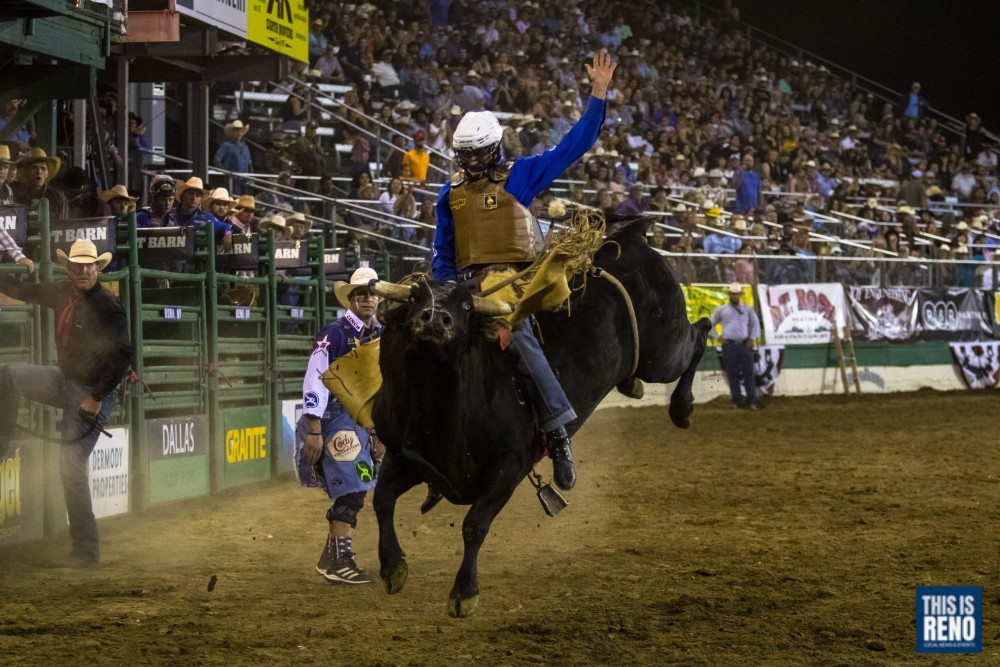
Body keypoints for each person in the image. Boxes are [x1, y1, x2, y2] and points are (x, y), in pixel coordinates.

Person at [431, 51, 617, 492]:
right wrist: (444, 287)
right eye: (464, 155)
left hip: (512, 284)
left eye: (477, 155)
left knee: (525, 345)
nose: (470, 163)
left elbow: (575, 145)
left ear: (494, 148)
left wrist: (598, 95)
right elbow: (443, 248)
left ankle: (556, 435)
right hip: (463, 286)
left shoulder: (521, 175)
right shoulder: (449, 193)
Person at [0, 238, 133, 568]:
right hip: (67, 380)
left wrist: (97, 397)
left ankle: (87, 551)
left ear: (96, 269)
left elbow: (123, 354)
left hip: (91, 391)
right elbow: (24, 290)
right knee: (10, 375)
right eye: (78, 265)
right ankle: (2, 443)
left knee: (70, 467)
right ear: (70, 269)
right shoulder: (61, 293)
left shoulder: (106, 305)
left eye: (90, 265)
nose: (84, 270)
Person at [296, 267, 383, 584]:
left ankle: (331, 557)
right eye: (362, 293)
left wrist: (376, 429)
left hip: (357, 420)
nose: (368, 299)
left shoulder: (377, 334)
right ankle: (339, 561)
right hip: (333, 417)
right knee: (355, 487)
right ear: (352, 298)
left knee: (358, 485)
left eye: (372, 294)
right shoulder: (335, 333)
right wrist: (315, 428)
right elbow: (315, 377)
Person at [710, 283, 760, 410]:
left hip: (744, 344)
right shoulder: (722, 310)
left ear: (740, 295)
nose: (735, 296)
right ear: (729, 294)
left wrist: (752, 338)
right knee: (733, 374)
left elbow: (756, 324)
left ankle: (751, 400)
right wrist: (718, 337)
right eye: (733, 293)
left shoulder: (748, 309)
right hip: (729, 345)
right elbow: (710, 325)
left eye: (736, 293)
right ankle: (737, 400)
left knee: (748, 373)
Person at [11, 148, 67, 219]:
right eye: (34, 168)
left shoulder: (57, 197)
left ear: (47, 174)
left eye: (43, 168)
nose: (39, 172)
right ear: (27, 172)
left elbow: (63, 225)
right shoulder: (18, 195)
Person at [213, 120, 253, 194]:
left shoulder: (245, 147)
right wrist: (226, 173)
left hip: (245, 179)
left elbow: (249, 164)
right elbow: (216, 160)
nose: (238, 133)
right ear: (232, 133)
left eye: (240, 131)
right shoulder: (226, 145)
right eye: (236, 131)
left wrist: (252, 177)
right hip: (232, 179)